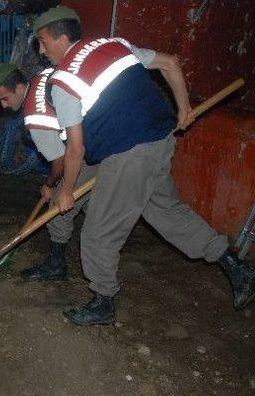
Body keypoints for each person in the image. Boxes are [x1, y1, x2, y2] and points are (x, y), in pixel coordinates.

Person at [29, 6, 254, 326]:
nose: (40, 50)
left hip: (130, 152)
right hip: (159, 140)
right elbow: (170, 63)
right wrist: (184, 108)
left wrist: (67, 192)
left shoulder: (63, 80)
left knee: (98, 232)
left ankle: (103, 302)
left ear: (62, 38)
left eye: (42, 41)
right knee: (166, 212)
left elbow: (75, 149)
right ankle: (238, 268)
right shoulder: (113, 45)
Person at [0, 63, 97, 282]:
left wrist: (49, 185)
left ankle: (56, 266)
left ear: (19, 88)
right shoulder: (41, 76)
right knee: (91, 205)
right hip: (97, 138)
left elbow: (60, 162)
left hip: (85, 151)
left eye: (5, 98)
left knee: (57, 210)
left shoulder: (34, 117)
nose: (4, 106)